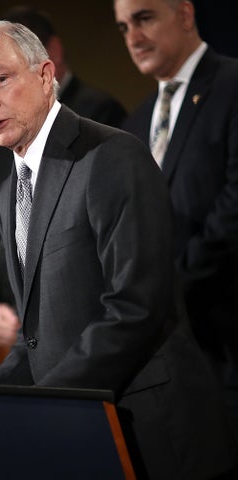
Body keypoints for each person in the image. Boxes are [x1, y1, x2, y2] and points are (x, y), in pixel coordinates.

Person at [0, 20, 238, 479]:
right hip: (91, 437)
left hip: (156, 432)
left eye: (0, 79)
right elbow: (36, 336)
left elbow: (134, 307)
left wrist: (51, 400)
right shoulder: (8, 194)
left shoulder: (110, 156)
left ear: (46, 75)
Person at [114, 0, 238, 430]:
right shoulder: (135, 124)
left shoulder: (231, 84)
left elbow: (234, 208)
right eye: (123, 27)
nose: (133, 37)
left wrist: (170, 293)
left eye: (144, 18)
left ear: (185, 15)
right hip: (185, 358)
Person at [0, 5, 127, 349]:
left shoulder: (98, 119)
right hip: (32, 338)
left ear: (47, 65)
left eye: (2, 79)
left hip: (90, 335)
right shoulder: (7, 136)